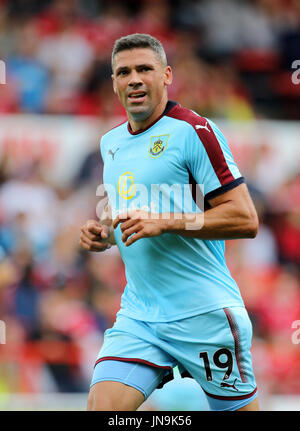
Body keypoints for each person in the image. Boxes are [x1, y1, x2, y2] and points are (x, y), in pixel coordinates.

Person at [80, 33, 259, 411]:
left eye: (144, 69)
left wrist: (165, 222)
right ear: (113, 83)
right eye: (123, 72)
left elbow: (244, 217)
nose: (134, 79)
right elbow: (131, 214)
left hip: (204, 314)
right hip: (140, 315)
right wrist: (106, 233)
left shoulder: (194, 131)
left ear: (166, 75)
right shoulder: (110, 143)